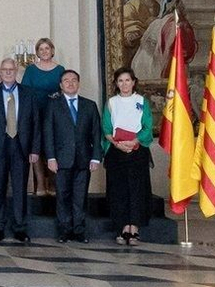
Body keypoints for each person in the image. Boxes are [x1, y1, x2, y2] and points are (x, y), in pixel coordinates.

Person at [0, 58, 39, 243]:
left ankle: (20, 227)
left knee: (20, 189)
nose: (7, 72)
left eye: (11, 69)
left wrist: (35, 149)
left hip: (21, 147)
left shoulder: (28, 93)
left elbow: (36, 123)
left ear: (16, 71)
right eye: (4, 69)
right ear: (0, 72)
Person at [42, 69, 101, 243]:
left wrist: (96, 157)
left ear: (78, 83)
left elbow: (96, 133)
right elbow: (48, 133)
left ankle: (79, 230)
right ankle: (64, 230)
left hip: (84, 159)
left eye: (74, 80)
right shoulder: (53, 105)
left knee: (80, 197)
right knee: (63, 196)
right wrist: (50, 157)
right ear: (61, 85)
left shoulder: (89, 105)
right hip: (61, 159)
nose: (70, 83)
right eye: (66, 80)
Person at [102, 66, 153, 245]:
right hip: (116, 152)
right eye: (120, 81)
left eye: (127, 80)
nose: (124, 84)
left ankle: (135, 227)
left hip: (137, 151)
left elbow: (148, 126)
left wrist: (134, 141)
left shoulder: (142, 101)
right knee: (119, 190)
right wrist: (117, 143)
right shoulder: (111, 103)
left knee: (137, 189)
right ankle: (123, 227)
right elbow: (106, 127)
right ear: (116, 83)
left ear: (133, 82)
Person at [20, 38, 65, 195]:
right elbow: (24, 92)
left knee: (51, 147)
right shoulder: (31, 70)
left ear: (52, 51)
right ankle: (40, 184)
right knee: (36, 147)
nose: (44, 51)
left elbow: (64, 90)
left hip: (54, 114)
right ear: (37, 53)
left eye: (47, 48)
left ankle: (52, 183)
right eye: (41, 49)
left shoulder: (60, 69)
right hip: (35, 113)